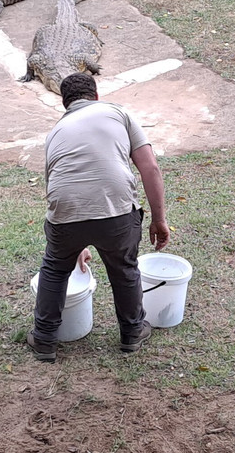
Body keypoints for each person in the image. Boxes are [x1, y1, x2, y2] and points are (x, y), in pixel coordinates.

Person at [27, 72, 170, 362]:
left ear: (65, 103)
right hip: (116, 215)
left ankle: (44, 340)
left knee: (55, 270)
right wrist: (159, 219)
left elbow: (57, 189)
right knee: (123, 268)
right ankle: (132, 332)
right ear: (96, 96)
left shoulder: (56, 130)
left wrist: (75, 243)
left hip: (64, 215)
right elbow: (150, 167)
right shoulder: (117, 112)